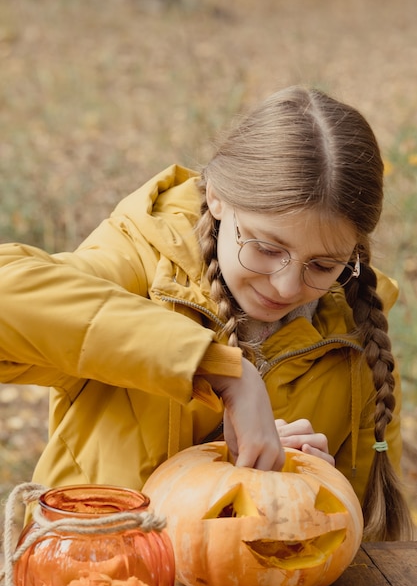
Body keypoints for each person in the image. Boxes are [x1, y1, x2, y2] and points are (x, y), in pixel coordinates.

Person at [0, 85, 413, 542]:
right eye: (266, 247)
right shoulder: (141, 262)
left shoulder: (356, 335)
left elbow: (361, 546)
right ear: (217, 197)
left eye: (322, 265)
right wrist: (218, 369)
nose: (286, 285)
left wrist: (307, 486)